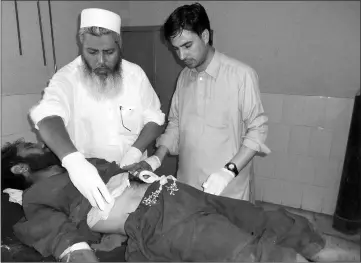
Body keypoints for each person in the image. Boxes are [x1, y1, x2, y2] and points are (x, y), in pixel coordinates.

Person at [4, 139, 359, 262]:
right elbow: (70, 247)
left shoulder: (79, 163)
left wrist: (148, 160)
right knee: (259, 257)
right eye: (29, 146)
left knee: (287, 225)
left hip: (179, 192)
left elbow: (130, 169)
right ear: (20, 166)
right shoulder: (36, 200)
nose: (41, 145)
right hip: (158, 219)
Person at [124, 3, 269, 202]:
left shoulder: (241, 76)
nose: (182, 56)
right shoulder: (184, 77)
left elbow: (257, 130)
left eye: (187, 46)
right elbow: (175, 125)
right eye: (176, 49)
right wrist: (156, 158)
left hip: (227, 190)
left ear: (205, 36)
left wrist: (228, 172)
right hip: (187, 187)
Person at [29, 8, 165, 212]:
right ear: (81, 45)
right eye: (92, 52)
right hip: (92, 183)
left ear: (119, 45)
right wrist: (74, 162)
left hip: (134, 176)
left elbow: (155, 118)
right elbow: (47, 116)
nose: (101, 61)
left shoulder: (135, 75)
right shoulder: (66, 78)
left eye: (109, 52)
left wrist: (135, 151)